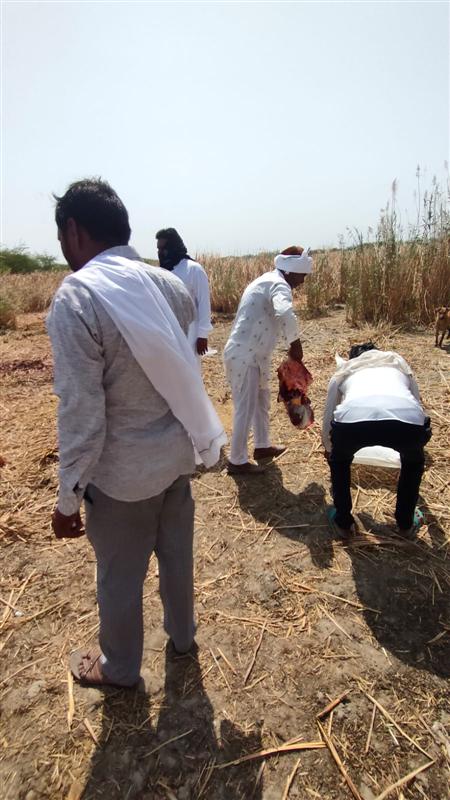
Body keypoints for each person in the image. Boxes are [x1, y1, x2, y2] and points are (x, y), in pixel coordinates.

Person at [47, 178, 226, 688]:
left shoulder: (78, 297)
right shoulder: (169, 287)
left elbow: (82, 415)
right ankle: (183, 639)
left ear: (74, 230)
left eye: (61, 237)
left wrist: (67, 498)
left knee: (120, 578)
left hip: (121, 480)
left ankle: (121, 668)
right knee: (177, 560)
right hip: (176, 459)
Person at [322, 342, 432, 539]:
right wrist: (416, 443)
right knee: (413, 464)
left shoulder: (345, 370)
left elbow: (329, 413)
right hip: (407, 425)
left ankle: (343, 523)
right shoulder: (398, 364)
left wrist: (330, 448)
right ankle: (405, 524)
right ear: (379, 353)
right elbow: (416, 403)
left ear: (353, 359)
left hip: (353, 425)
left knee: (339, 462)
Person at [224, 246, 313, 475]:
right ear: (291, 270)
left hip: (255, 355)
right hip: (244, 354)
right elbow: (284, 312)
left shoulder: (269, 280)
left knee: (261, 402)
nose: (302, 281)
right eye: (302, 275)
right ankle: (237, 461)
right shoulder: (278, 284)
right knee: (245, 407)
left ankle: (262, 446)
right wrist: (295, 344)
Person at [156, 228, 212, 357]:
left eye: (163, 249)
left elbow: (204, 302)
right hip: (167, 332)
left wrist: (202, 335)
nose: (160, 253)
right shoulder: (161, 272)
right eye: (158, 249)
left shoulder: (193, 270)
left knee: (190, 366)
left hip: (190, 333)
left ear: (173, 247)